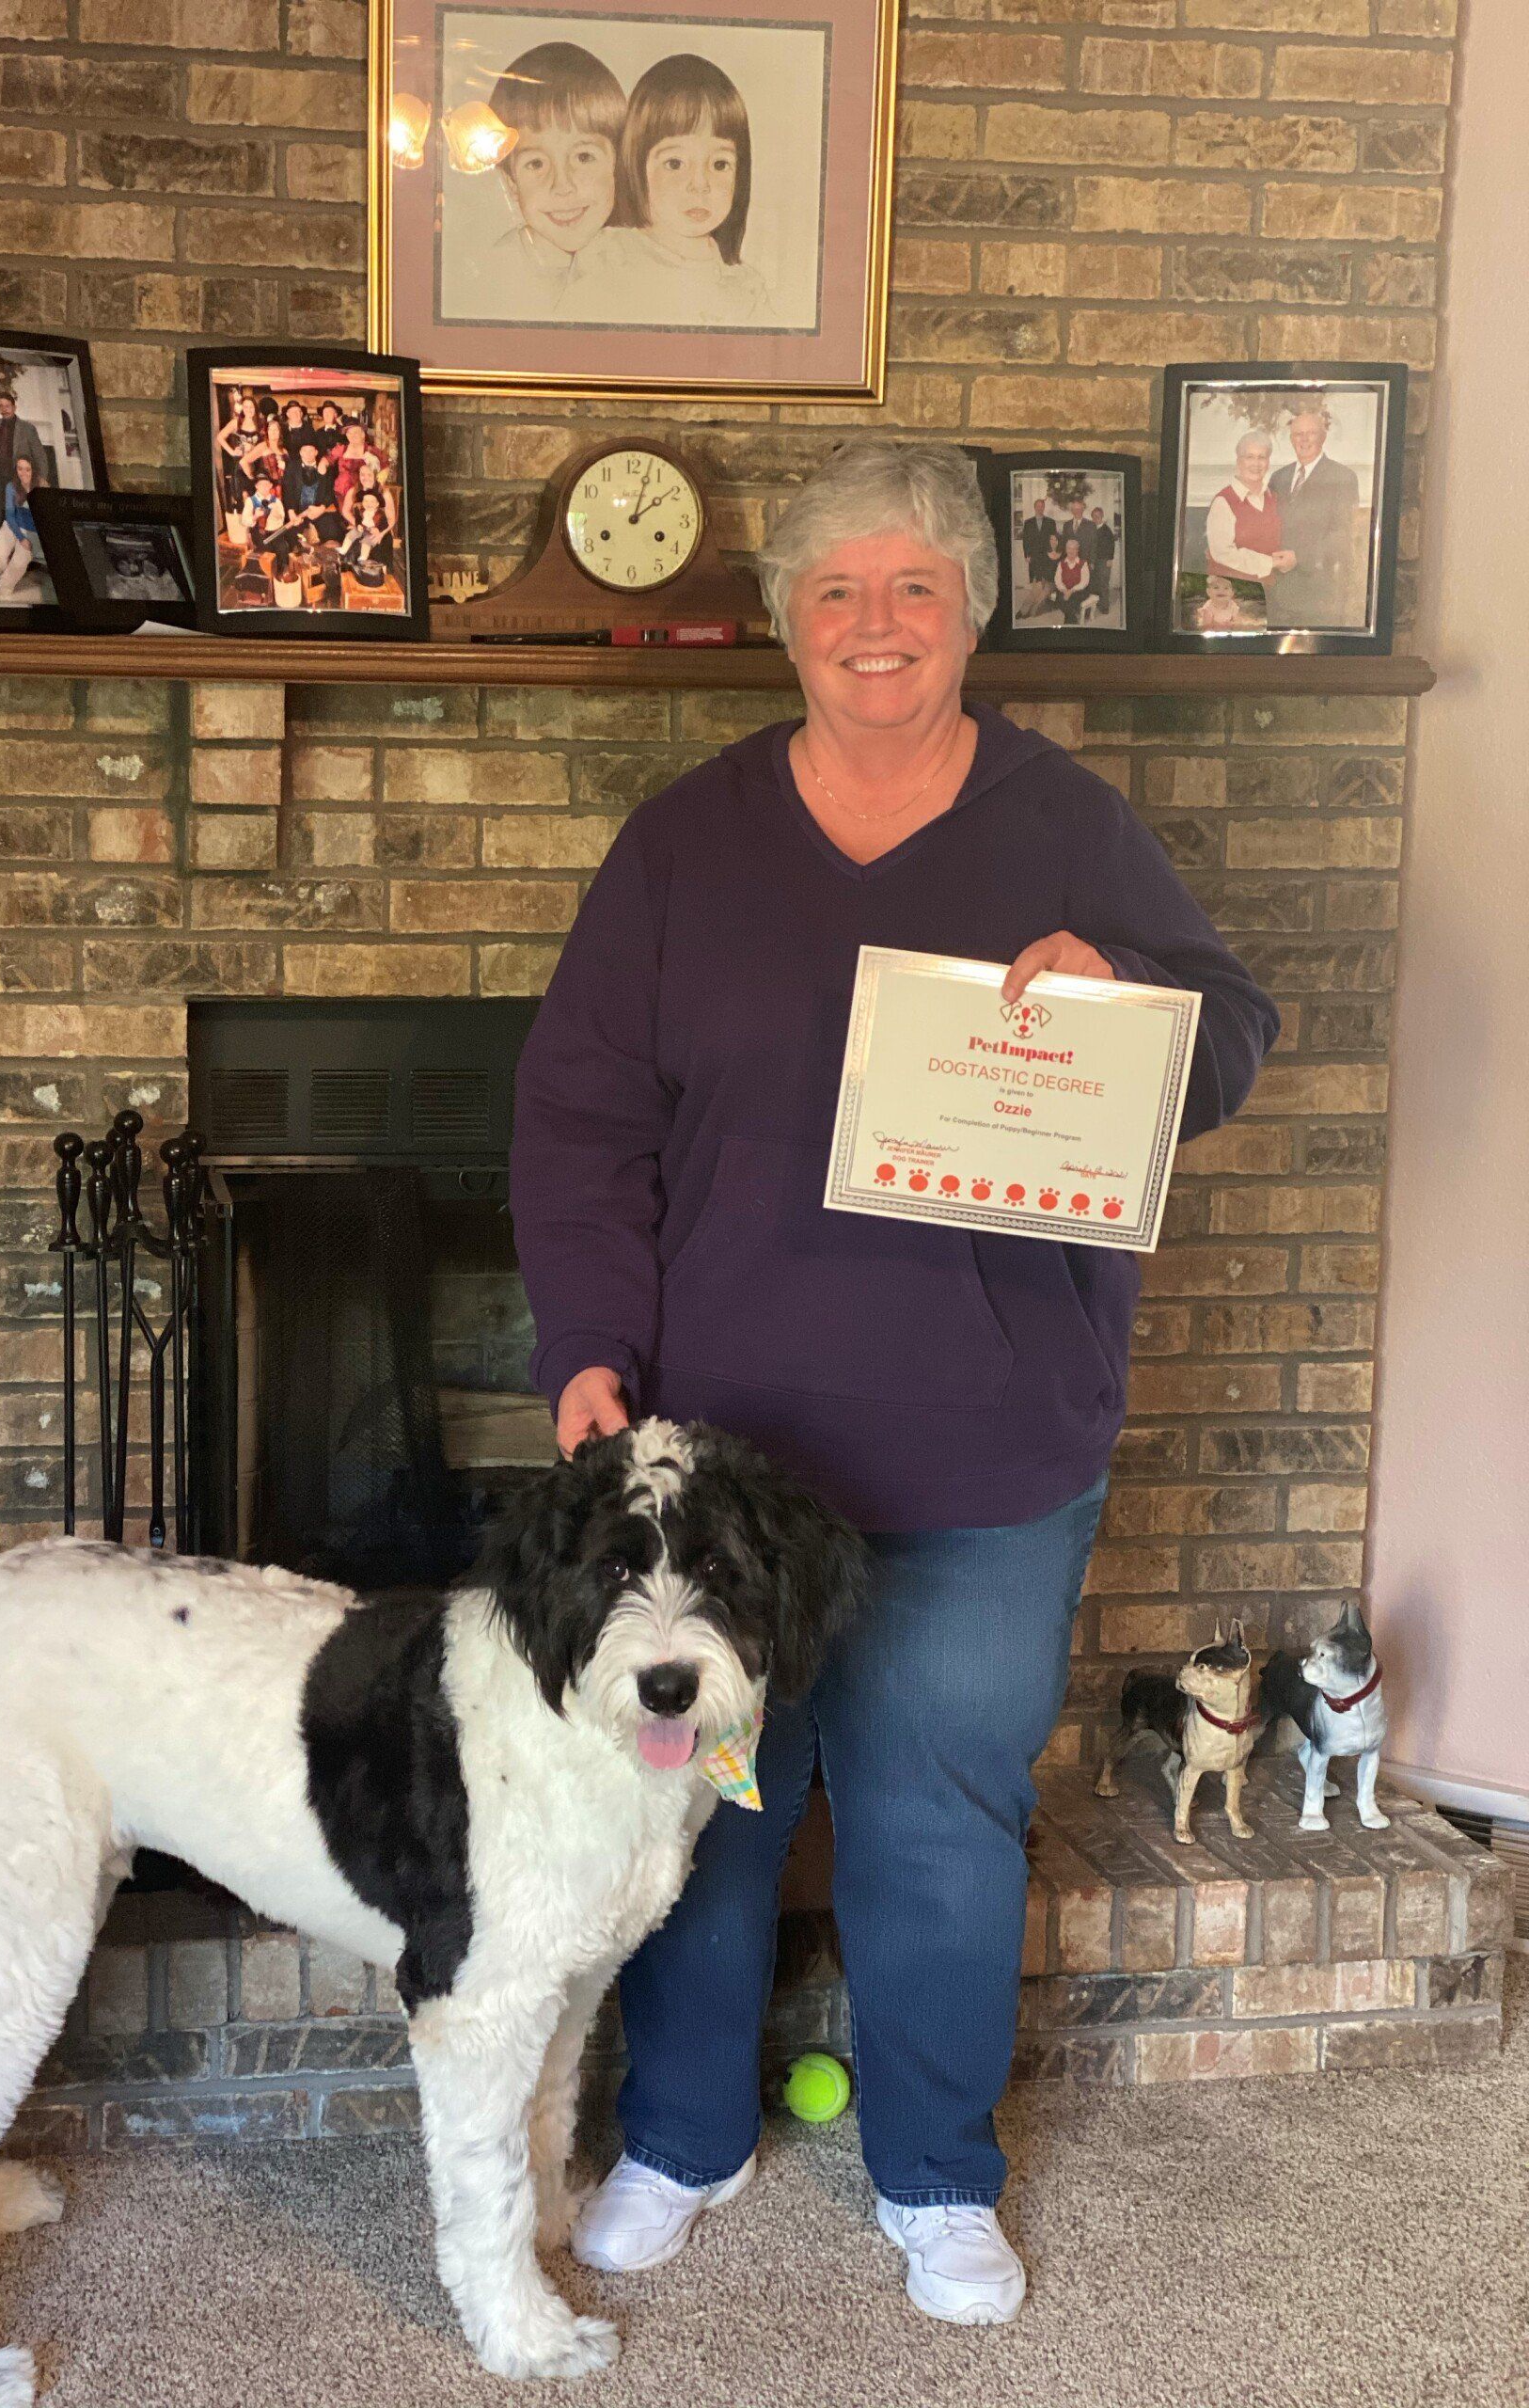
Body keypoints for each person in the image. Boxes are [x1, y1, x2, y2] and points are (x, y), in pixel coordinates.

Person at [508, 437, 1278, 2330]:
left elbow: (1236, 1030)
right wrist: (591, 1344)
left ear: (968, 615)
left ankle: (939, 2171)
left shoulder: (1068, 823)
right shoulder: (686, 844)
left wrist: (1133, 999)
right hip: (727, 1456)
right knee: (700, 1808)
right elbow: (582, 1113)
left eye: (913, 587)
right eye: (835, 590)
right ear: (782, 622)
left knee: (941, 1804)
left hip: (987, 1439)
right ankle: (681, 2134)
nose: (875, 624)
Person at [600, 55, 776, 327]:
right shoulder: (608, 255)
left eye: (719, 164)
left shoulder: (746, 290)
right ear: (636, 165)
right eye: (675, 163)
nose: (700, 184)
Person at [485, 41, 629, 318]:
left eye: (584, 157)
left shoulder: (632, 259)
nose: (562, 186)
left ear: (617, 165)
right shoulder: (497, 270)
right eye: (536, 163)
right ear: (511, 183)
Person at [1266, 402, 1361, 627]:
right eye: (1298, 434)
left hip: (1318, 596)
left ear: (1322, 438)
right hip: (1277, 592)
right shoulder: (1278, 478)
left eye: (1310, 433)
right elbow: (1267, 525)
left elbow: (1341, 535)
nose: (1304, 439)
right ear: (1291, 439)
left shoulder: (1342, 478)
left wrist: (1299, 557)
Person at [1204, 430, 1296, 592]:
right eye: (1250, 457)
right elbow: (1222, 553)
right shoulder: (1224, 501)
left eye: (1262, 457)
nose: (1256, 464)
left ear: (1268, 462)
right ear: (1239, 461)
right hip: (1232, 593)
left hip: (1270, 591)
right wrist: (1271, 563)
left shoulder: (1274, 498)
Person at [0, 450, 42, 596]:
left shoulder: (41, 486)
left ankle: (5, 585)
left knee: (18, 563)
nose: (23, 473)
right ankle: (7, 575)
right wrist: (20, 538)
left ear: (33, 470)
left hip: (32, 531)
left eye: (27, 469)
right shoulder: (11, 487)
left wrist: (28, 539)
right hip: (13, 525)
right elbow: (10, 516)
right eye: (20, 469)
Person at [0, 389, 54, 495]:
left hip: (19, 478)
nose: (4, 409)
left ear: (14, 407)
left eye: (7, 406)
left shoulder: (27, 428)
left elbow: (40, 455)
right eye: (1, 406)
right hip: (0, 477)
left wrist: (43, 478)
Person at [1017, 493, 1061, 600]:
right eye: (1038, 506)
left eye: (1042, 506)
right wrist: (1026, 555)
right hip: (1034, 555)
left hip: (1047, 555)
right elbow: (1025, 540)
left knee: (1047, 579)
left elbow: (1054, 540)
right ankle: (1035, 598)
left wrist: (1054, 554)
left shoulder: (1051, 522)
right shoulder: (1028, 523)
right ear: (1035, 508)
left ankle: (1045, 599)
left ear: (1044, 508)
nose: (1040, 508)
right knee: (1036, 580)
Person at [1052, 531, 1091, 624]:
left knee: (1070, 600)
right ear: (1066, 550)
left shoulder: (1083, 563)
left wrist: (1072, 590)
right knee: (1060, 600)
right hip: (1064, 589)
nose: (1071, 551)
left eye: (1074, 549)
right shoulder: (1061, 563)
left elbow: (1084, 582)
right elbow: (1057, 580)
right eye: (1069, 548)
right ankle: (1072, 619)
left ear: (1077, 550)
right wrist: (1065, 590)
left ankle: (1069, 621)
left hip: (1079, 590)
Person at [1087, 504, 1117, 617]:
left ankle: (1105, 607)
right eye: (1093, 516)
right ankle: (1097, 603)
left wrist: (1110, 559)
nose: (1095, 518)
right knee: (1095, 583)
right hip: (1095, 560)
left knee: (1103, 583)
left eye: (1097, 516)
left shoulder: (1106, 530)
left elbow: (1111, 545)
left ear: (1102, 516)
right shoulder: (1093, 529)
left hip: (1104, 560)